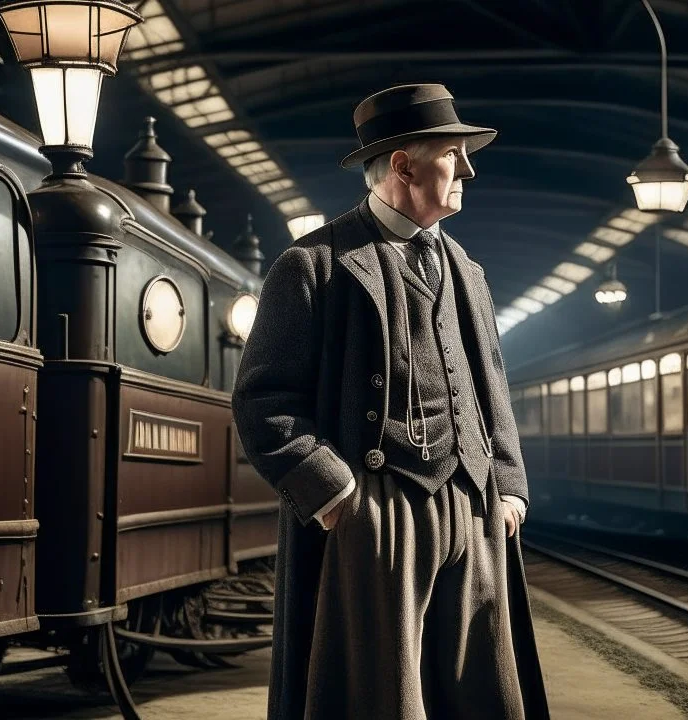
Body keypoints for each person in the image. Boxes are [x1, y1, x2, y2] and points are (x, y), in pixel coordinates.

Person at [232, 83, 549, 720]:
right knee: (380, 695)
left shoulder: (468, 271)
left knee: (478, 689)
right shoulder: (313, 264)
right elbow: (262, 398)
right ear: (403, 164)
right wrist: (336, 496)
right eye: (452, 153)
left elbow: (490, 385)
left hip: (472, 503)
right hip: (377, 510)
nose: (468, 168)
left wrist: (508, 486)